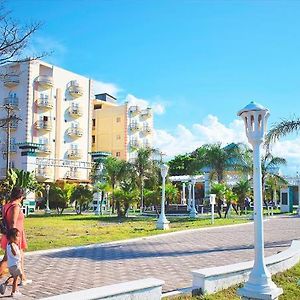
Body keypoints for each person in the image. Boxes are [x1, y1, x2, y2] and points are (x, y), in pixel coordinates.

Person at [0, 187, 31, 285]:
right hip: (14, 236)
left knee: (18, 258)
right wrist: (13, 240)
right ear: (21, 196)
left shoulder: (6, 206)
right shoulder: (15, 207)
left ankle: (23, 279)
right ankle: (22, 279)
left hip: (9, 235)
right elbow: (13, 222)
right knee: (9, 259)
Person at [6, 228, 22, 297]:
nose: (19, 238)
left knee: (14, 277)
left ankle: (6, 284)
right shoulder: (12, 245)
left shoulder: (8, 244)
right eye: (17, 236)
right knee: (16, 279)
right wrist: (14, 246)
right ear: (12, 237)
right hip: (15, 265)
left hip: (11, 265)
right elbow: (15, 253)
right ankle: (14, 292)